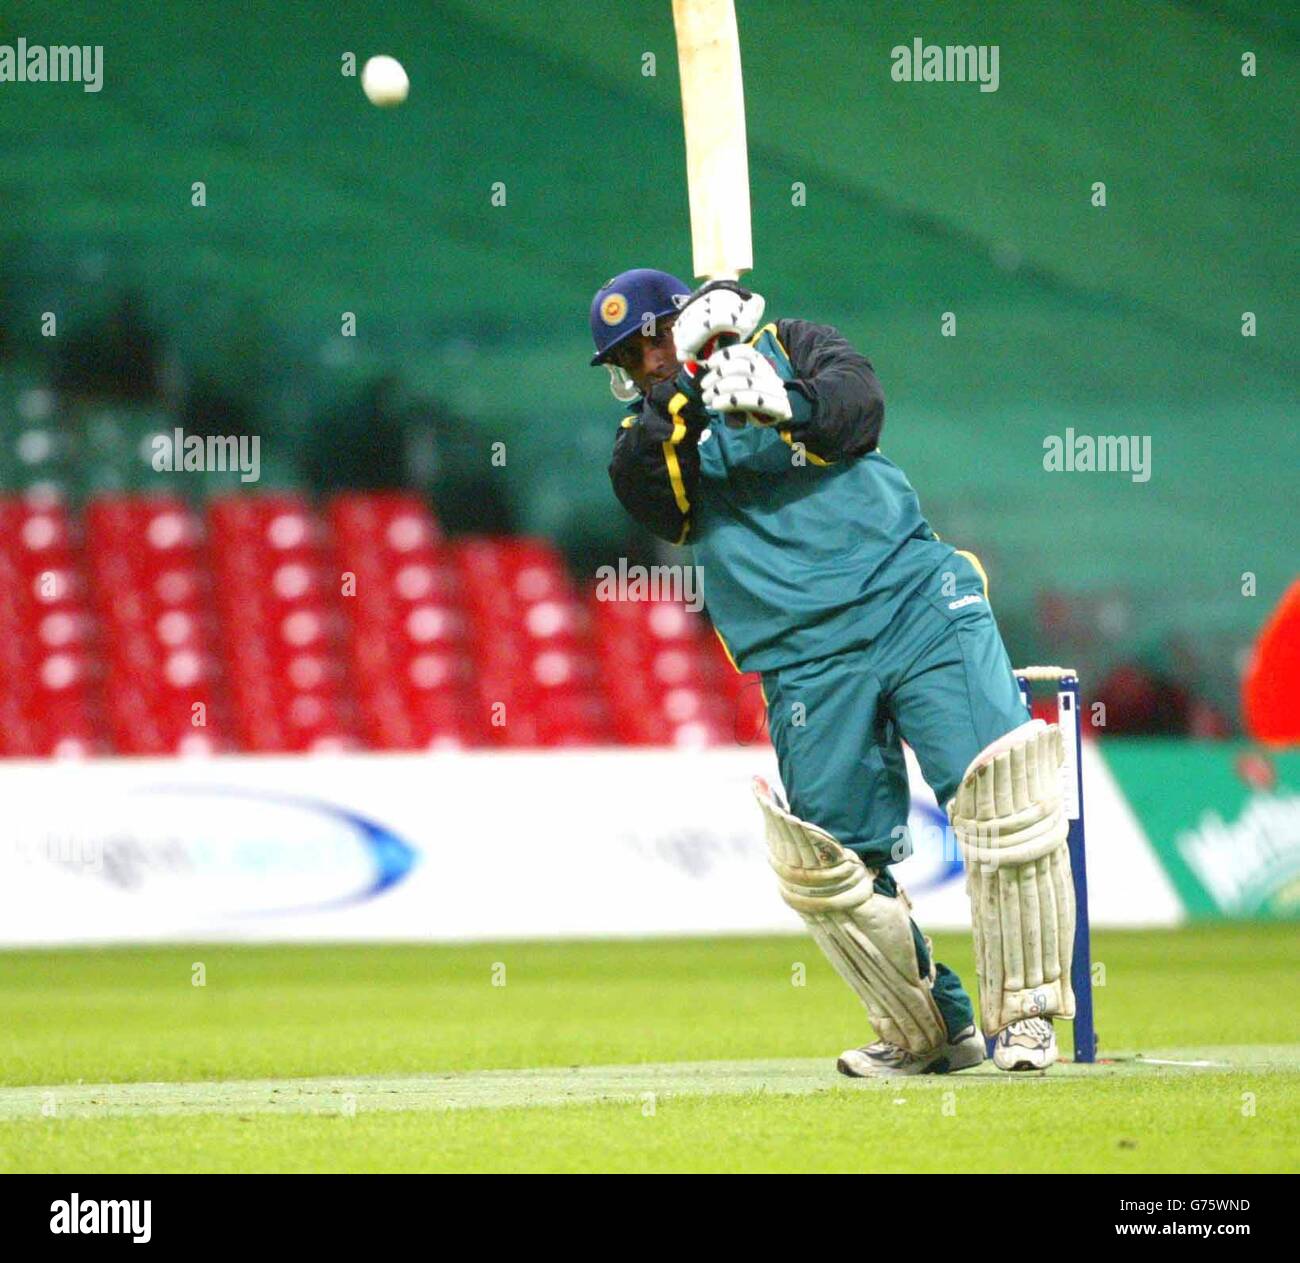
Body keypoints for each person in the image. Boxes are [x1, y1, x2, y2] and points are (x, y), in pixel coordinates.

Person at [593, 268, 1078, 1076]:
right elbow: (655, 494)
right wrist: (683, 389)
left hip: (913, 602)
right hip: (804, 655)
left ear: (667, 324)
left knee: (1003, 799)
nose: (635, 369)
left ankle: (1026, 1019)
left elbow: (859, 411)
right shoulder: (647, 440)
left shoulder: (794, 344)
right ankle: (931, 1032)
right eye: (626, 362)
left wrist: (783, 399)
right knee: (836, 869)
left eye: (638, 348)